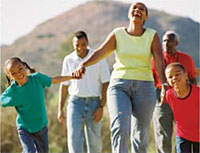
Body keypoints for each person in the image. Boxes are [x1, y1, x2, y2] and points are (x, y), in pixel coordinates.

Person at [73, 2, 166, 153]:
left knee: (141, 135)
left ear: (146, 17)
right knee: (121, 127)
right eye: (134, 8)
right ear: (129, 14)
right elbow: (100, 52)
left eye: (142, 9)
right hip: (119, 85)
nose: (137, 10)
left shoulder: (152, 35)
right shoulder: (118, 34)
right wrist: (83, 65)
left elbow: (159, 61)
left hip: (145, 86)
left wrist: (164, 85)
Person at [0, 57, 75, 153]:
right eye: (14, 73)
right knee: (29, 151)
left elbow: (54, 80)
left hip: (41, 127)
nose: (19, 74)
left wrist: (71, 77)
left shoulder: (37, 79)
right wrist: (13, 100)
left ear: (24, 66)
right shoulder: (12, 90)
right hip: (25, 129)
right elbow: (3, 100)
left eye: (20, 69)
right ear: (10, 76)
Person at [57, 31, 110, 153]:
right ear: (73, 45)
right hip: (75, 103)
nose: (80, 48)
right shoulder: (68, 60)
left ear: (87, 42)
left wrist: (101, 106)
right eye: (77, 45)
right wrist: (60, 109)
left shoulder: (98, 57)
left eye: (83, 44)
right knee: (73, 137)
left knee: (94, 141)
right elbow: (64, 86)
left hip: (94, 103)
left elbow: (106, 83)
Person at [152, 31, 197, 153]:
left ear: (176, 43)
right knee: (163, 134)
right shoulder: (155, 59)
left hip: (184, 98)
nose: (166, 43)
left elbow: (193, 79)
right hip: (162, 98)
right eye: (164, 41)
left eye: (169, 40)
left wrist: (190, 99)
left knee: (186, 133)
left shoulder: (186, 59)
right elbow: (151, 80)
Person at [164, 62, 199, 153]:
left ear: (186, 76)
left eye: (177, 74)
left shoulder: (198, 93)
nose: (174, 78)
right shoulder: (169, 95)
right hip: (182, 136)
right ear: (167, 81)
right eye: (170, 77)